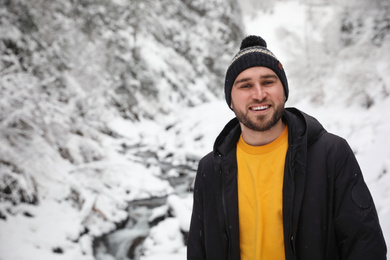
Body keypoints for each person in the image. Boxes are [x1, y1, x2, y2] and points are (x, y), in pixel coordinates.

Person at [187, 35, 387, 260]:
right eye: (245, 85)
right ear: (230, 100)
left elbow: (365, 246)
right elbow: (198, 251)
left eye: (268, 82)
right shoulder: (210, 169)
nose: (259, 94)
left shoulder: (331, 154)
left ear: (284, 92)